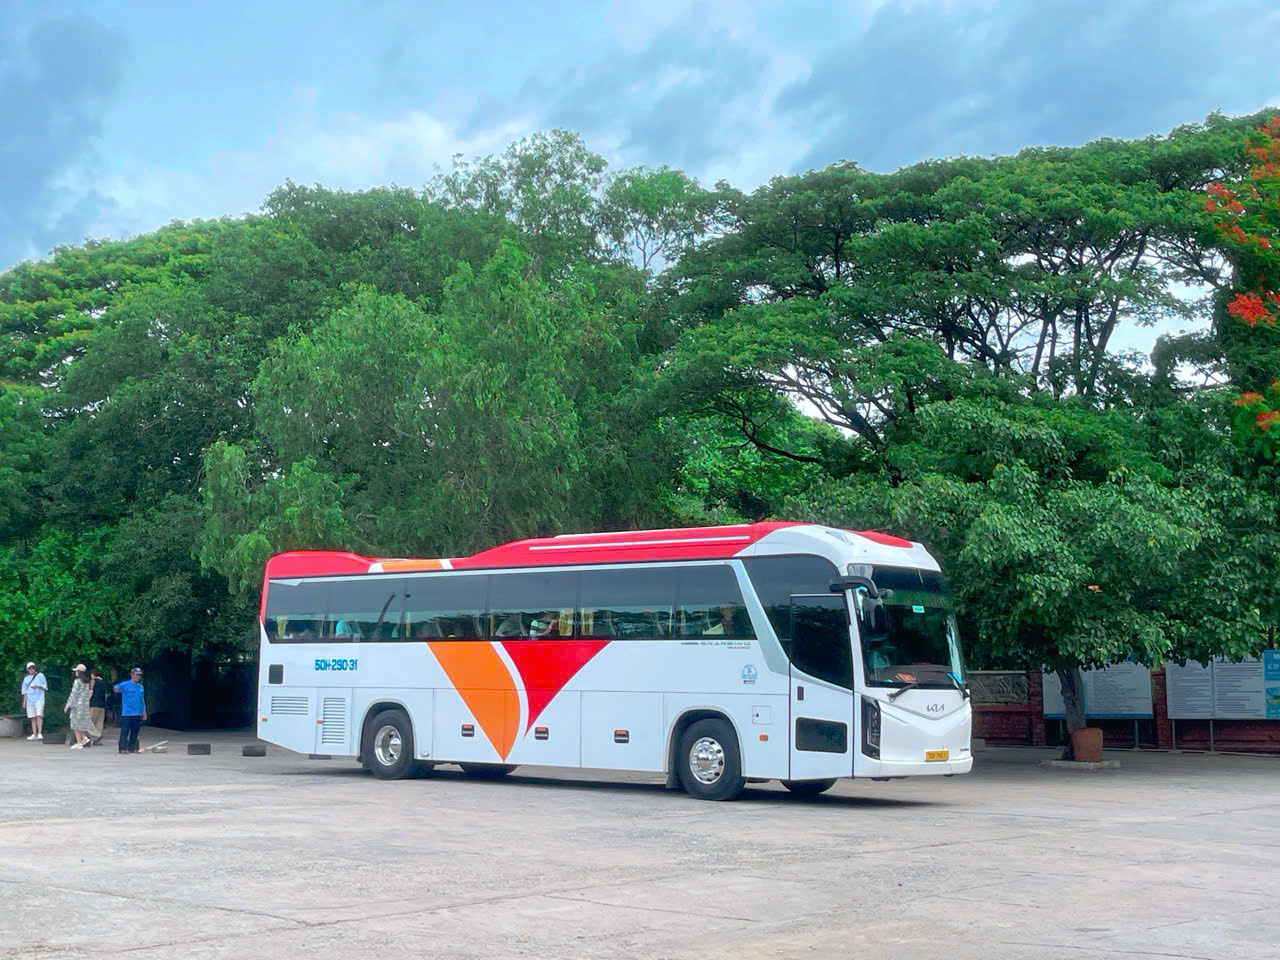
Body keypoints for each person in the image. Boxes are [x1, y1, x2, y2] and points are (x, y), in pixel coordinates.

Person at [113, 667, 147, 754]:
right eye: (136, 675)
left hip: (137, 712)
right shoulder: (126, 684)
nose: (138, 677)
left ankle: (132, 747)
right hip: (127, 712)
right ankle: (122, 748)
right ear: (132, 675)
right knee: (125, 731)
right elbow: (116, 688)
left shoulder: (140, 687)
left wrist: (143, 712)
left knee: (135, 731)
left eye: (139, 675)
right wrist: (116, 689)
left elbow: (142, 700)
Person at [64, 664, 93, 749]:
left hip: (76, 705)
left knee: (75, 724)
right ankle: (83, 738)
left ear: (78, 672)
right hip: (84, 705)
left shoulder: (77, 681)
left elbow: (73, 694)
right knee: (79, 724)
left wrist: (67, 705)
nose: (75, 672)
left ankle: (79, 742)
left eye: (76, 671)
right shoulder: (87, 682)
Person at [20, 662, 47, 741]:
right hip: (30, 700)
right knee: (32, 717)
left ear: (35, 668)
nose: (32, 670)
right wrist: (24, 702)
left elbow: (45, 686)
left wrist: (38, 686)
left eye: (33, 668)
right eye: (30, 668)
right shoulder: (26, 678)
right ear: (27, 669)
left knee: (39, 715)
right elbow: (24, 691)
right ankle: (34, 734)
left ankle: (40, 733)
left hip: (39, 699)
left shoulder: (40, 675)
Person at [88, 668, 107, 745]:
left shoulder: (93, 681)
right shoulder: (104, 682)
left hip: (93, 704)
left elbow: (90, 692)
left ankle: (97, 735)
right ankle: (97, 741)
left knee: (89, 722)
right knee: (99, 723)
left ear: (93, 674)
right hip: (102, 705)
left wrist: (87, 701)